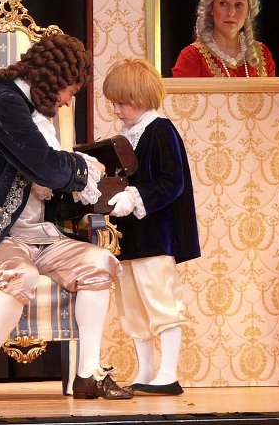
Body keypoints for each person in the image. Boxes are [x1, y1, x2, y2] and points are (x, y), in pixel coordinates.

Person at [0, 33, 133, 402]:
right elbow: (46, 167)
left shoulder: (30, 109)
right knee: (22, 275)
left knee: (100, 264)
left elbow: (52, 178)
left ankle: (88, 374)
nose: (68, 101)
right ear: (52, 79)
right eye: (69, 91)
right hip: (1, 233)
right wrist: (82, 166)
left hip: (43, 235)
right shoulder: (4, 104)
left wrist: (98, 187)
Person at [100, 58, 201, 396]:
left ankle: (168, 373)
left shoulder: (160, 130)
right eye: (114, 103)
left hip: (156, 236)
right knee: (133, 306)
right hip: (131, 237)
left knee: (161, 302)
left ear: (141, 97)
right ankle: (145, 371)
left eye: (122, 102)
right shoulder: (127, 135)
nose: (117, 110)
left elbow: (173, 181)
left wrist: (134, 197)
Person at [171, 0, 276, 78]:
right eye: (223, 3)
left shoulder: (262, 54)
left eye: (239, 5)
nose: (231, 13)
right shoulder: (192, 57)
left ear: (248, 11)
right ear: (211, 8)